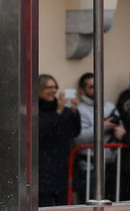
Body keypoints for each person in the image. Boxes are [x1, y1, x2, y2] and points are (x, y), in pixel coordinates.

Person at [36, 74, 81, 207]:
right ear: (39, 89)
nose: (53, 90)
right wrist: (58, 112)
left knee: (63, 204)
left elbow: (74, 131)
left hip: (61, 165)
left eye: (55, 87)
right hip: (42, 166)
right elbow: (42, 131)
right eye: (49, 87)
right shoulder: (35, 109)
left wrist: (74, 111)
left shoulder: (63, 109)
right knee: (44, 203)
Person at [73, 72, 117, 202]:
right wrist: (103, 127)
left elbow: (121, 129)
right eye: (92, 87)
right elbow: (79, 138)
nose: (97, 90)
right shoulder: (79, 109)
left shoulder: (110, 106)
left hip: (112, 163)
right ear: (83, 90)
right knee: (91, 203)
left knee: (112, 203)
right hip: (90, 166)